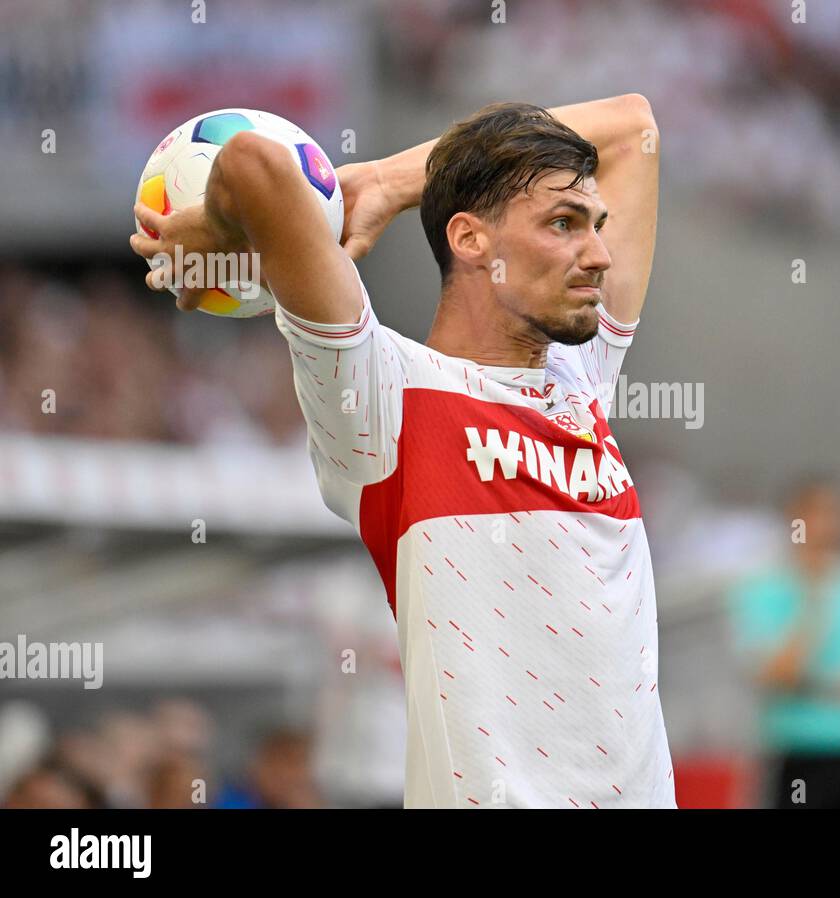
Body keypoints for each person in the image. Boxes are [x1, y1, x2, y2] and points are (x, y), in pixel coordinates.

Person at [129, 94, 672, 808]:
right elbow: (252, 163)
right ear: (472, 241)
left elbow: (634, 129)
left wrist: (387, 181)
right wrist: (232, 222)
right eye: (565, 224)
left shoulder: (582, 380)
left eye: (597, 226)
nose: (599, 254)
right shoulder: (382, 396)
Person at [727, 476, 840, 809]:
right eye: (816, 514)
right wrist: (813, 598)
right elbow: (777, 675)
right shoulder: (761, 588)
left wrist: (817, 686)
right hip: (795, 757)